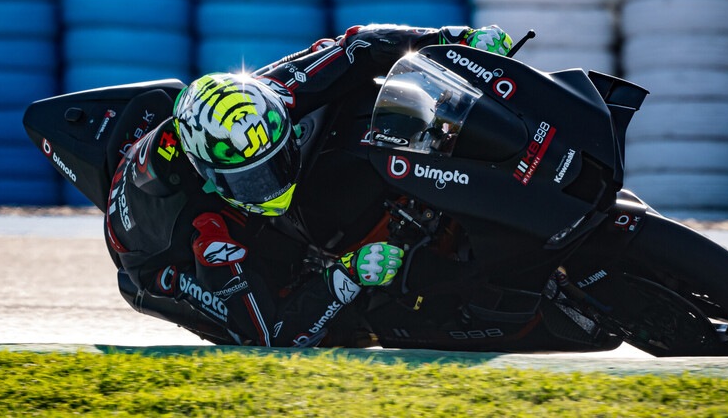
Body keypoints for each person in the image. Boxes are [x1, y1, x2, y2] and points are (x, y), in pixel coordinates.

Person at [105, 24, 513, 347]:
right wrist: (347, 274)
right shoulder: (210, 231)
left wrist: (450, 40)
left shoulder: (275, 94)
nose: (270, 186)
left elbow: (356, 47)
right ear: (211, 179)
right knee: (329, 328)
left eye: (275, 163)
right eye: (251, 180)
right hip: (157, 265)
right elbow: (270, 334)